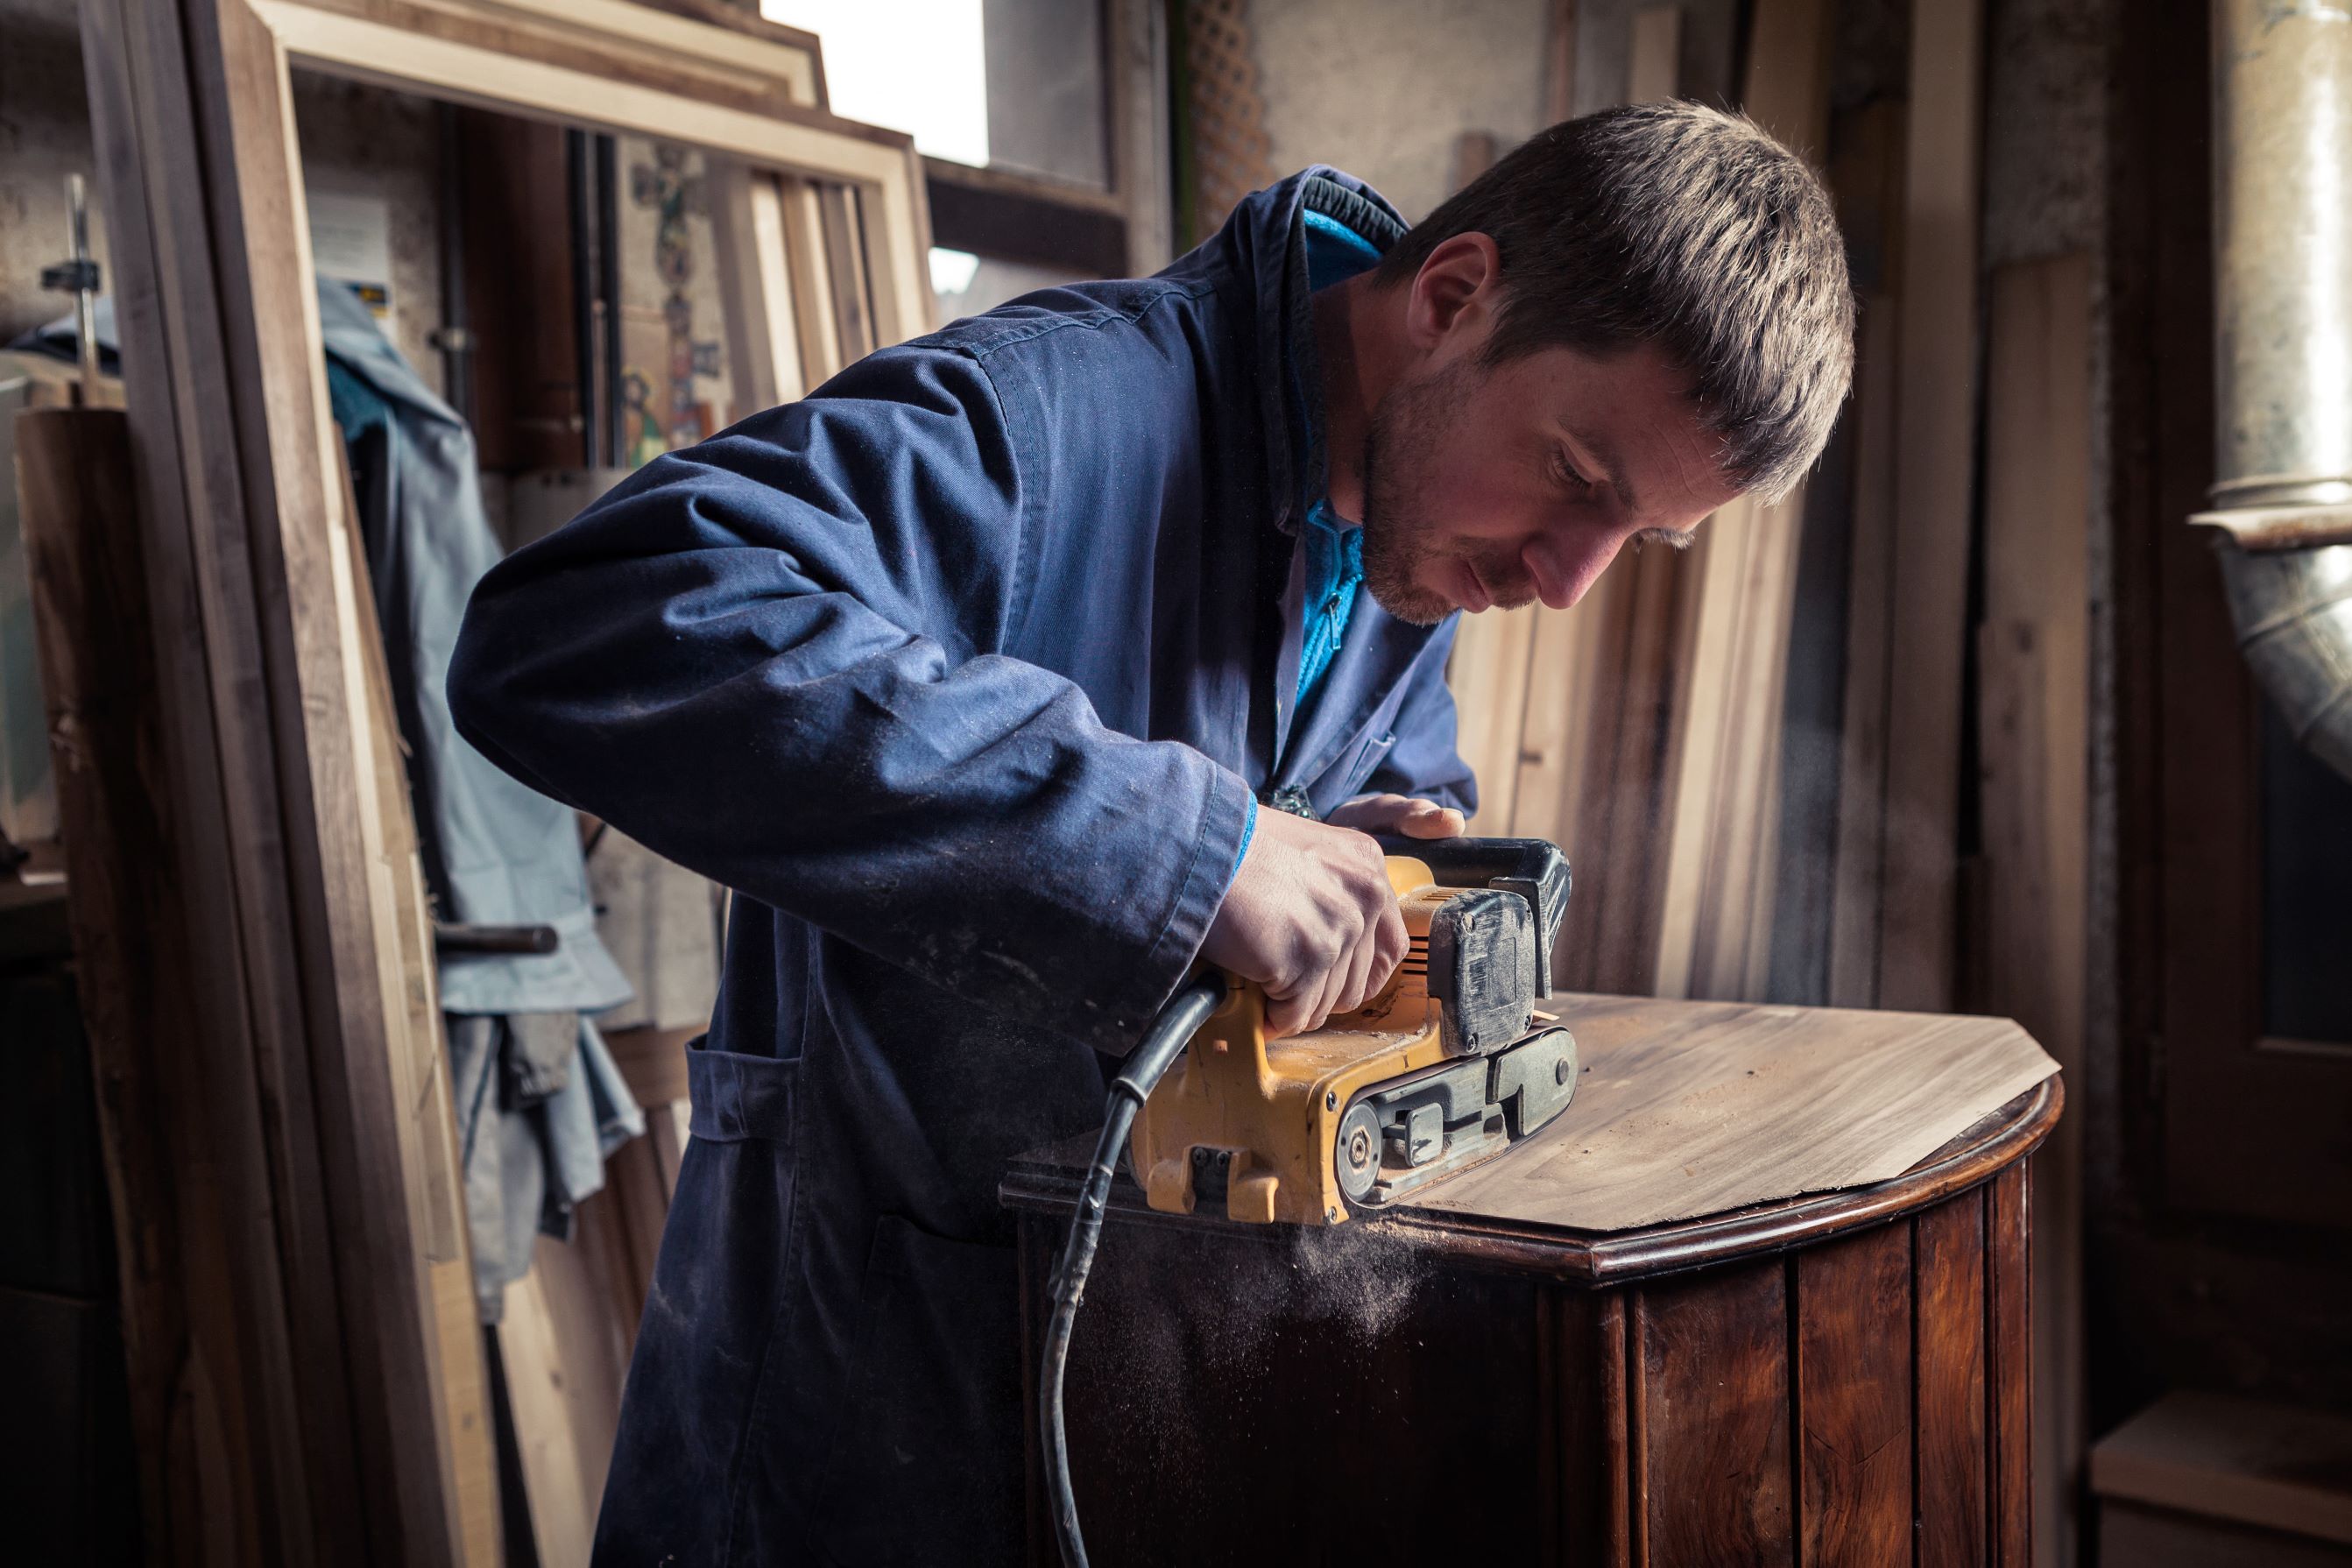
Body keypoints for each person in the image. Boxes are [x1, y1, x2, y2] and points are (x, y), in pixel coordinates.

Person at [449, 99, 1854, 1565]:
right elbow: (584, 625)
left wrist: (1364, 851)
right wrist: (1194, 845)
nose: (1570, 582)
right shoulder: (1049, 420)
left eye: (1642, 536)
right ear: (1452, 299)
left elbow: (1337, 802)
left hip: (1163, 1408)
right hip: (859, 1417)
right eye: (1577, 478)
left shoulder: (1418, 523)